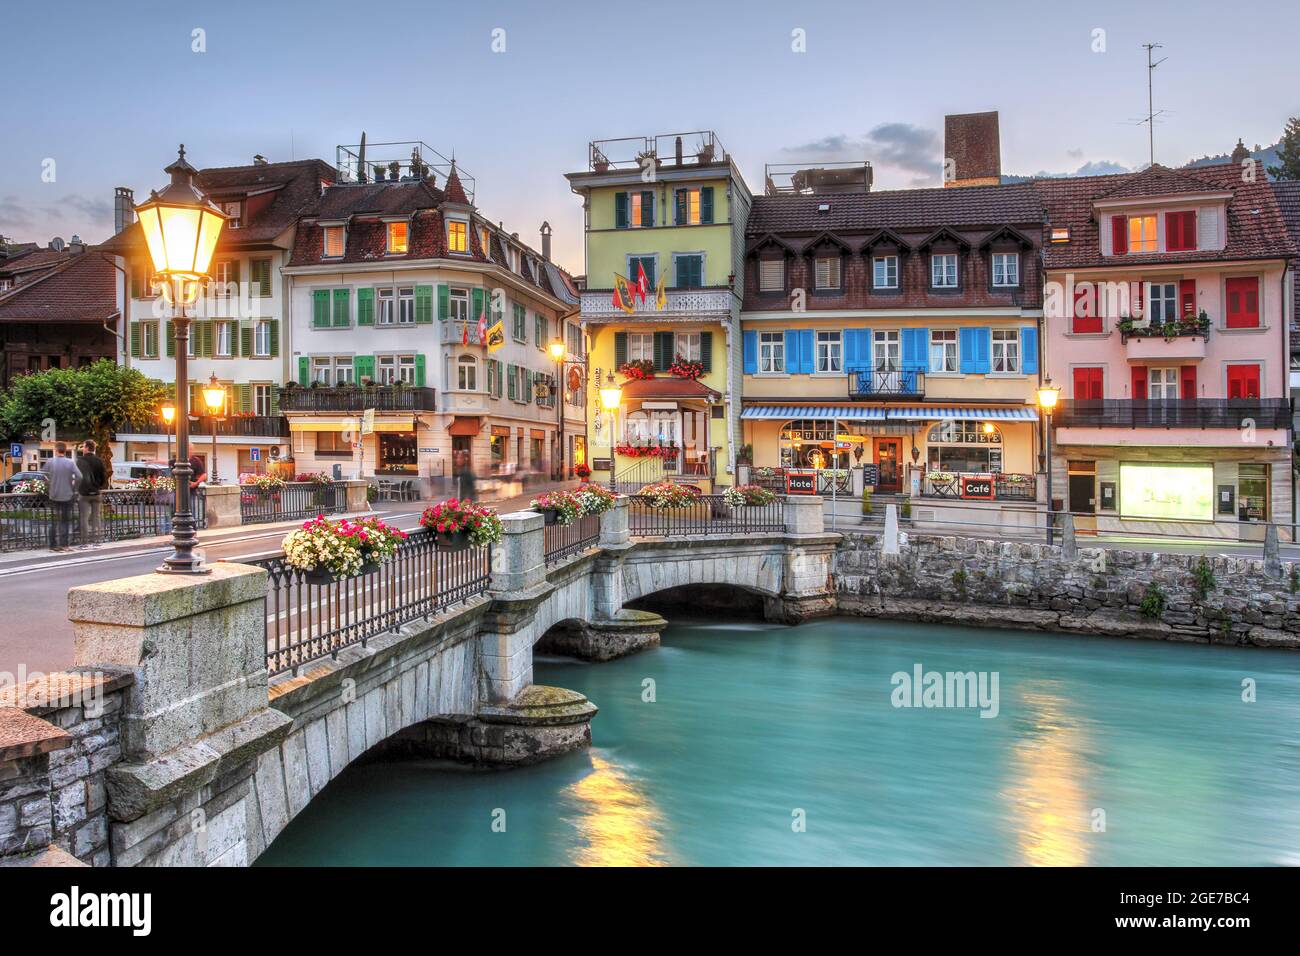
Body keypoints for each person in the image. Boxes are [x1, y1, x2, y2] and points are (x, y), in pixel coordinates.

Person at [40, 443, 80, 552]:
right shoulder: (70, 462)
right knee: (65, 521)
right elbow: (79, 476)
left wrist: (48, 484)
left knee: (53, 521)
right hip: (67, 495)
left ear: (56, 450)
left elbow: (42, 475)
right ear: (65, 450)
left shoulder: (50, 462)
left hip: (53, 495)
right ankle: (64, 545)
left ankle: (52, 545)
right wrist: (73, 486)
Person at [74, 439, 107, 550]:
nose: (82, 449)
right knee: (96, 517)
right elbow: (104, 477)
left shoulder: (80, 461)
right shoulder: (99, 461)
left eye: (83, 447)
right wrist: (98, 486)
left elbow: (78, 477)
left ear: (87, 448)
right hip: (96, 493)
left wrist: (78, 488)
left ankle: (84, 542)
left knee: (84, 517)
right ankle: (96, 541)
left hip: (84, 493)